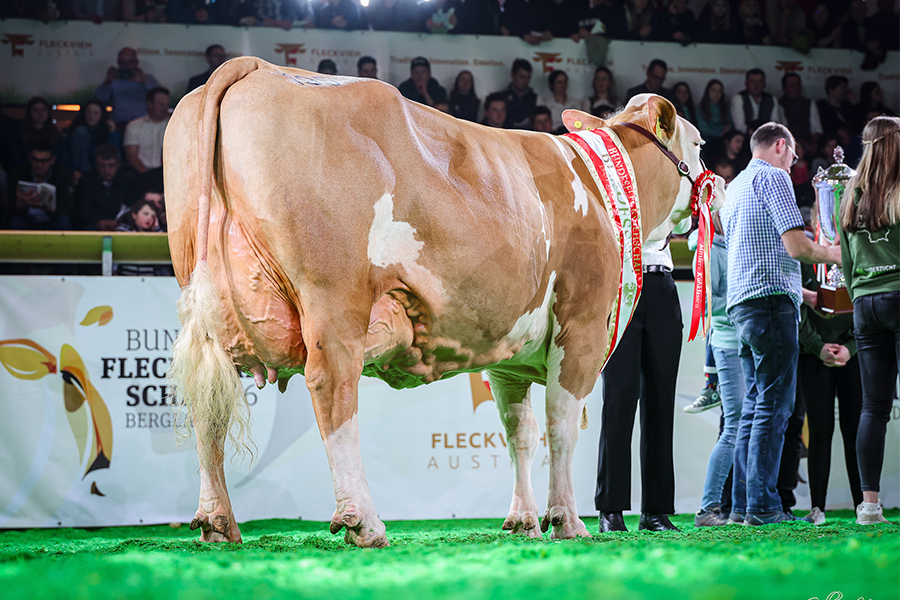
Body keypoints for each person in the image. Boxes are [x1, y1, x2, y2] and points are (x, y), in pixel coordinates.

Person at [721, 122, 841, 526]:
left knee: (755, 406)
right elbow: (796, 246)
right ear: (779, 146)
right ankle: (763, 505)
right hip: (771, 307)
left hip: (744, 306)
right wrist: (837, 255)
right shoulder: (774, 177)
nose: (794, 164)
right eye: (793, 156)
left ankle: (741, 506)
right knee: (774, 407)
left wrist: (799, 292)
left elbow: (760, 249)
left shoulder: (734, 186)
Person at [596, 238, 682, 533]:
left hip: (663, 283)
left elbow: (682, 224)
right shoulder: (619, 190)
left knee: (661, 403)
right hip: (623, 284)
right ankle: (611, 509)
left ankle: (656, 511)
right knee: (619, 400)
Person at [838, 116, 900, 525]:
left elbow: (845, 262)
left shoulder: (849, 193)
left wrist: (861, 291)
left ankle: (869, 506)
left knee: (872, 407)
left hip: (864, 302)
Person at [796, 263, 863, 526]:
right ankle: (817, 508)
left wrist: (850, 346)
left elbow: (866, 303)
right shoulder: (802, 260)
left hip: (852, 356)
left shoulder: (854, 256)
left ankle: (864, 505)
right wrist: (817, 346)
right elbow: (797, 308)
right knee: (820, 433)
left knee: (855, 431)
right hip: (812, 356)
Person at [694, 212, 744, 527]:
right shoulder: (712, 249)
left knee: (741, 426)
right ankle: (709, 508)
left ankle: (740, 506)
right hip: (729, 341)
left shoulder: (726, 246)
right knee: (735, 427)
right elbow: (712, 305)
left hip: (740, 340)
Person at [4, 142, 75, 231]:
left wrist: (51, 209)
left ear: (53, 160)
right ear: (29, 158)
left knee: (64, 222)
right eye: (35, 160)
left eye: (44, 161)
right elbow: (9, 211)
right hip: (27, 221)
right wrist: (21, 204)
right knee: (15, 222)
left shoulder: (63, 175)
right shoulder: (18, 174)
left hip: (52, 221)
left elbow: (68, 210)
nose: (39, 165)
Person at [95, 47, 162, 131]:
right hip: (119, 125)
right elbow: (98, 100)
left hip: (143, 126)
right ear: (118, 63)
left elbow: (161, 98)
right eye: (123, 63)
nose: (126, 66)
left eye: (130, 62)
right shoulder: (114, 80)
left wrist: (144, 82)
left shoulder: (147, 79)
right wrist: (107, 82)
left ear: (137, 62)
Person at [77, 144, 136, 231]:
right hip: (93, 226)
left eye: (111, 165)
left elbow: (132, 207)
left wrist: (120, 222)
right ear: (96, 164)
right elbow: (83, 210)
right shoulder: (86, 182)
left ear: (118, 164)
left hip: (122, 226)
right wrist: (98, 222)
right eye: (102, 165)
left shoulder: (128, 181)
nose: (106, 170)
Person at [123, 87, 170, 180]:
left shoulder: (173, 125)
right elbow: (131, 154)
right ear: (150, 104)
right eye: (161, 104)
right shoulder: (134, 126)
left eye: (166, 105)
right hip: (139, 175)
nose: (165, 108)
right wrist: (147, 176)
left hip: (166, 175)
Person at [66, 100, 121, 177]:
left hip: (102, 170)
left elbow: (115, 154)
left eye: (96, 113)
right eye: (88, 112)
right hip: (80, 171)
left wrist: (112, 133)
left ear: (101, 116)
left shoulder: (107, 131)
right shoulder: (77, 131)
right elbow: (67, 154)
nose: (91, 116)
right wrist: (74, 170)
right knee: (81, 131)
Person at [12, 96, 64, 167]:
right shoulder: (20, 133)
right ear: (29, 112)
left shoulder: (55, 134)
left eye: (44, 109)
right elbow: (16, 157)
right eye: (36, 110)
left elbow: (61, 158)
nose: (40, 113)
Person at [730, 69, 784, 135]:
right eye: (753, 81)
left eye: (760, 81)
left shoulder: (772, 99)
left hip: (767, 136)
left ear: (764, 84)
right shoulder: (738, 98)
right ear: (746, 84)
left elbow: (775, 123)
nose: (756, 85)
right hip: (745, 137)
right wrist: (754, 134)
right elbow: (739, 126)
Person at [779, 73, 822, 152]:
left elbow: (816, 129)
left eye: (798, 85)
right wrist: (799, 143)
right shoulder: (779, 104)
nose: (795, 88)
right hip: (787, 146)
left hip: (809, 146)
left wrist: (813, 143)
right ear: (784, 88)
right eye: (791, 85)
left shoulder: (809, 103)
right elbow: (782, 130)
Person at [499, 59, 537, 129]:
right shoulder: (501, 97)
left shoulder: (535, 98)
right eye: (521, 77)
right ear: (513, 75)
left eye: (528, 77)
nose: (525, 81)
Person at [696, 79, 733, 144]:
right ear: (707, 92)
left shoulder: (725, 108)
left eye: (719, 91)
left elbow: (730, 125)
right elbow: (704, 130)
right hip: (707, 143)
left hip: (724, 142)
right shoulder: (700, 109)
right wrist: (719, 133)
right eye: (713, 90)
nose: (716, 93)